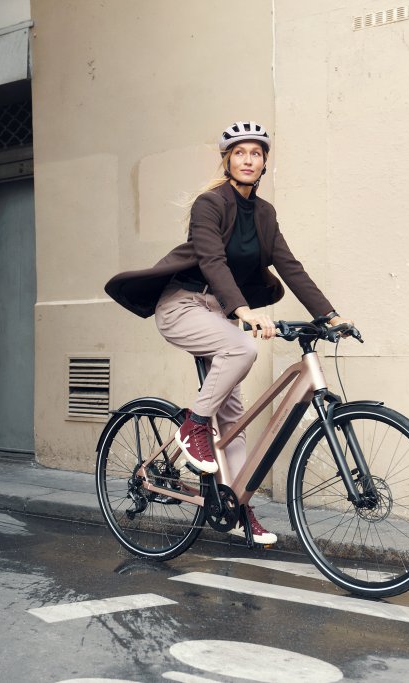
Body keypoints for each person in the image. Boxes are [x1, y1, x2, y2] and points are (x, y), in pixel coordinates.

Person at [104, 121, 353, 545]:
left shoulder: (266, 215)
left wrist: (329, 316)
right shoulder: (210, 204)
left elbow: (289, 266)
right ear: (228, 159)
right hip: (183, 304)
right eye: (240, 152)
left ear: (264, 164)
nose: (248, 159)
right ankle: (193, 427)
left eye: (256, 154)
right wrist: (243, 310)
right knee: (242, 348)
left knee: (234, 419)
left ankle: (239, 509)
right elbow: (212, 259)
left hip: (219, 310)